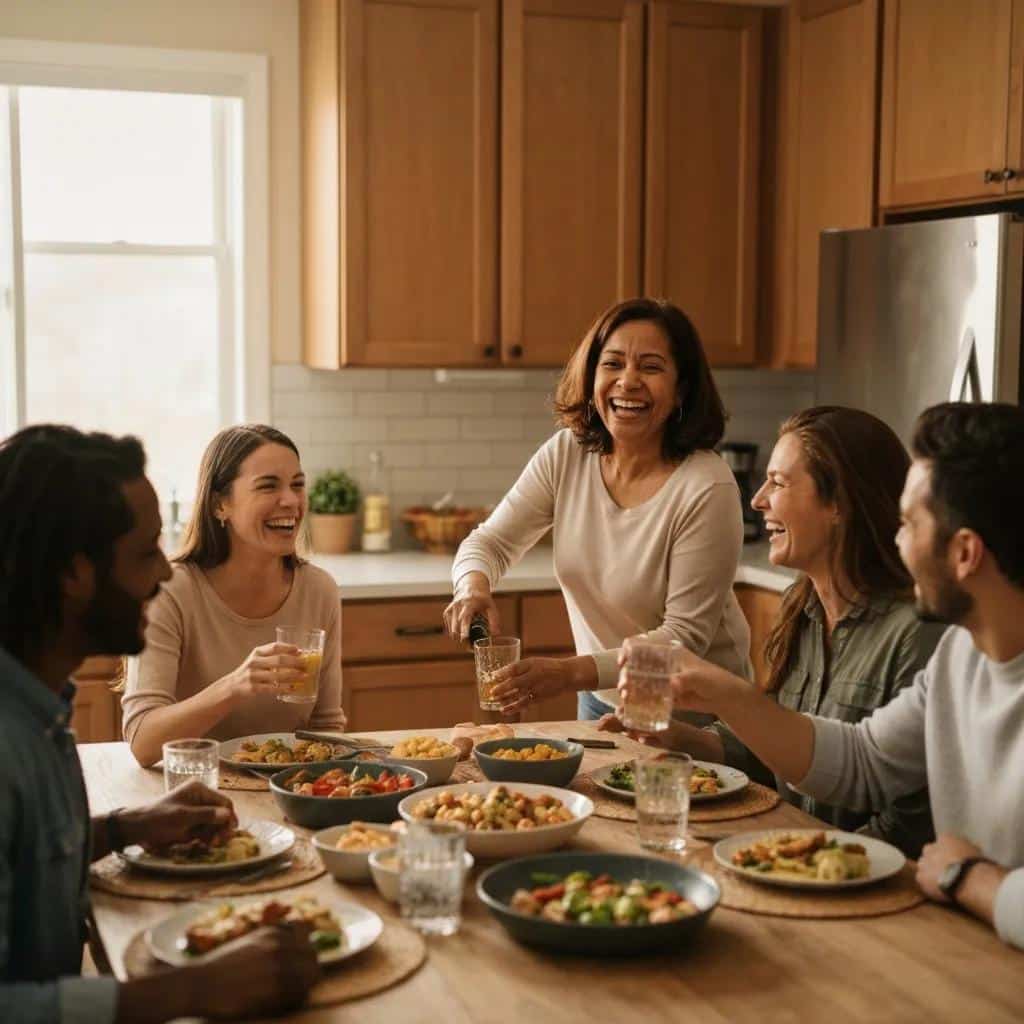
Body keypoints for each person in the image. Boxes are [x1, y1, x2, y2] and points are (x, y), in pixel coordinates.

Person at [626, 402, 1024, 949]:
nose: (897, 541)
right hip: (963, 949)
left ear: (964, 553)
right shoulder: (962, 654)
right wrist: (729, 699)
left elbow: (902, 823)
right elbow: (862, 762)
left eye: (909, 525)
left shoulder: (932, 641)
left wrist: (971, 879)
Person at [0, 424, 320, 1023]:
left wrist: (123, 828)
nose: (166, 574)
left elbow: (24, 852)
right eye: (146, 552)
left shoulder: (37, 707)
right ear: (75, 573)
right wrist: (191, 992)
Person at [601, 406, 944, 855]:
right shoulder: (800, 609)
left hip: (865, 889)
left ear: (838, 501)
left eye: (778, 483)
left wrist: (800, 861)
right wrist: (683, 739)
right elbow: (778, 760)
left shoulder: (915, 635)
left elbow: (914, 824)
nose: (758, 499)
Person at [443, 298, 751, 720]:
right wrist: (472, 588)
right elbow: (490, 542)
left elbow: (682, 639)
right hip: (602, 696)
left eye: (651, 366)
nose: (628, 381)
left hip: (697, 707)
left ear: (681, 388)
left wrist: (571, 673)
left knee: (655, 788)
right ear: (591, 377)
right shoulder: (568, 454)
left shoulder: (705, 486)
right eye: (613, 364)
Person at [122, 425, 345, 767]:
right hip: (193, 794)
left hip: (288, 795)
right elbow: (142, 740)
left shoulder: (319, 590)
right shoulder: (169, 591)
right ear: (219, 505)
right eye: (268, 486)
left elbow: (327, 728)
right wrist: (235, 686)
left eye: (297, 485)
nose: (291, 501)